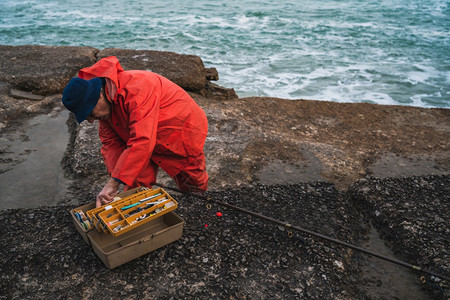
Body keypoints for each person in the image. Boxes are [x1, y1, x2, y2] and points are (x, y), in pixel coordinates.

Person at [62, 56, 208, 207]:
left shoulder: (137, 88)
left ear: (98, 97)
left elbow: (142, 141)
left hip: (181, 128)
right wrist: (115, 178)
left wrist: (113, 183)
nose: (92, 120)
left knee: (191, 179)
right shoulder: (106, 107)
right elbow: (110, 144)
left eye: (90, 114)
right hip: (146, 133)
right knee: (135, 181)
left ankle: (198, 206)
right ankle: (141, 210)